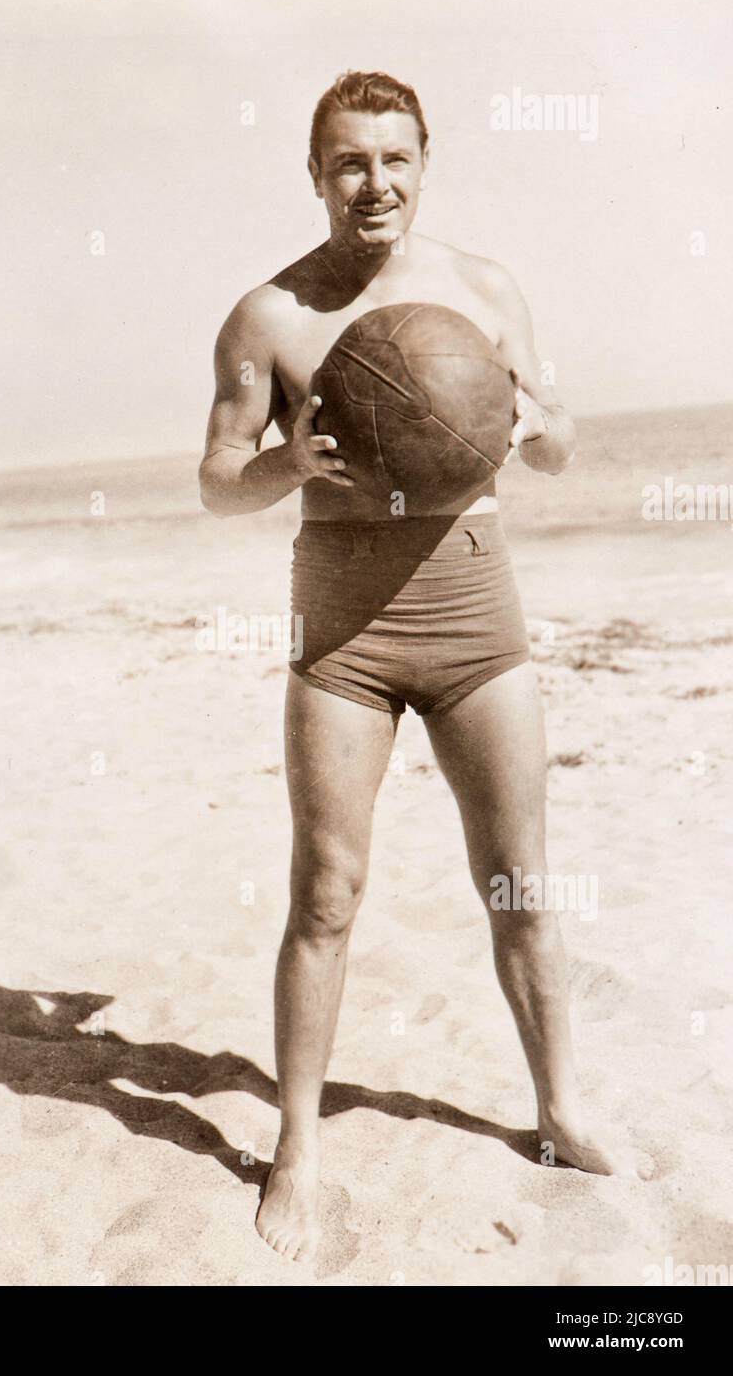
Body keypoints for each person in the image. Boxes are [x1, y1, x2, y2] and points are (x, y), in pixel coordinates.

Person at [200, 71, 643, 1264]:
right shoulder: (268, 317)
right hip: (342, 634)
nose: (373, 183)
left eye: (393, 158)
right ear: (314, 173)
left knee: (519, 883)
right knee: (325, 891)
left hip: (475, 619)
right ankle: (298, 1148)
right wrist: (287, 463)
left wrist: (536, 426)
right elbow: (216, 479)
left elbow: (556, 442)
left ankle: (558, 1110)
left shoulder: (482, 289)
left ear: (423, 163)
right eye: (348, 161)